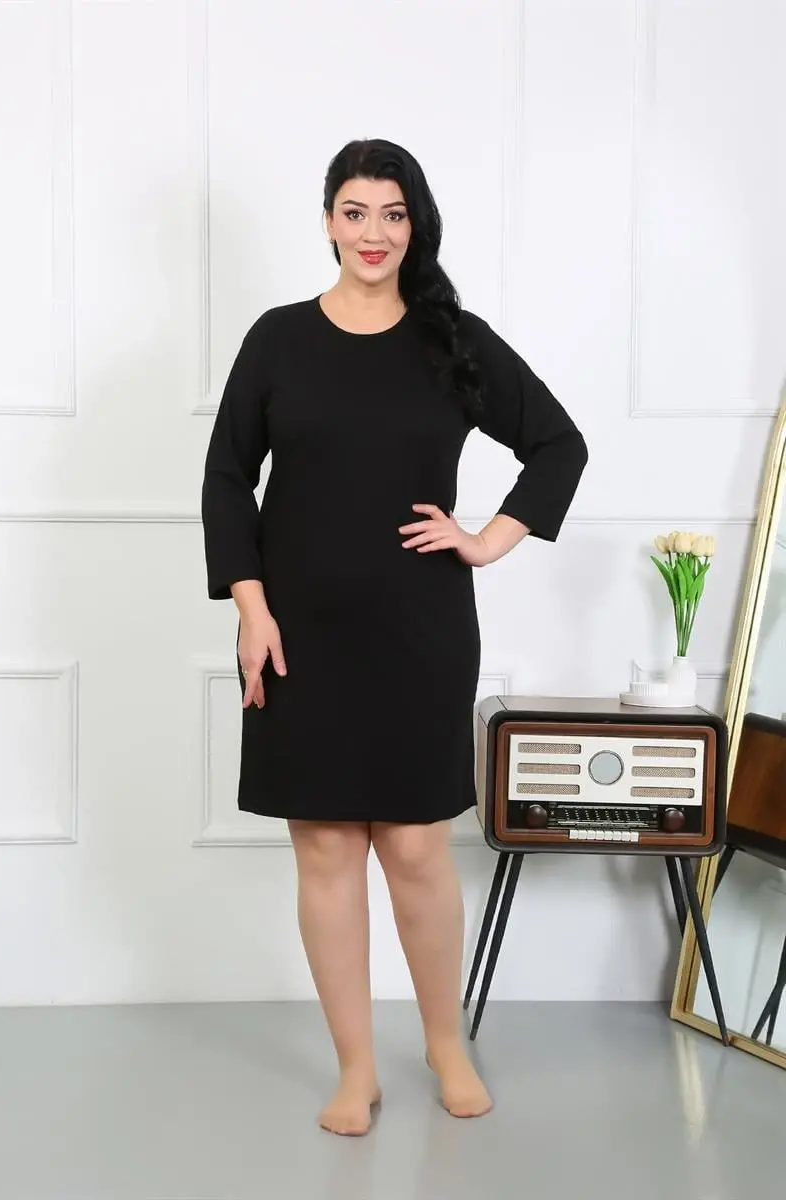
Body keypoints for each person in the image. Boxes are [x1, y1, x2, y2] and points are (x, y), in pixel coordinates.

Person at [201, 138, 588, 1137]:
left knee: (415, 848)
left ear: (415, 226)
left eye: (393, 213)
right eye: (355, 211)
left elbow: (557, 444)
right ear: (328, 220)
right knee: (327, 848)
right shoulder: (278, 340)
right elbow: (226, 478)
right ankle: (355, 1069)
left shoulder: (450, 342)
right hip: (298, 635)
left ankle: (444, 1044)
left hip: (419, 633)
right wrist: (250, 608)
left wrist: (485, 539)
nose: (373, 233)